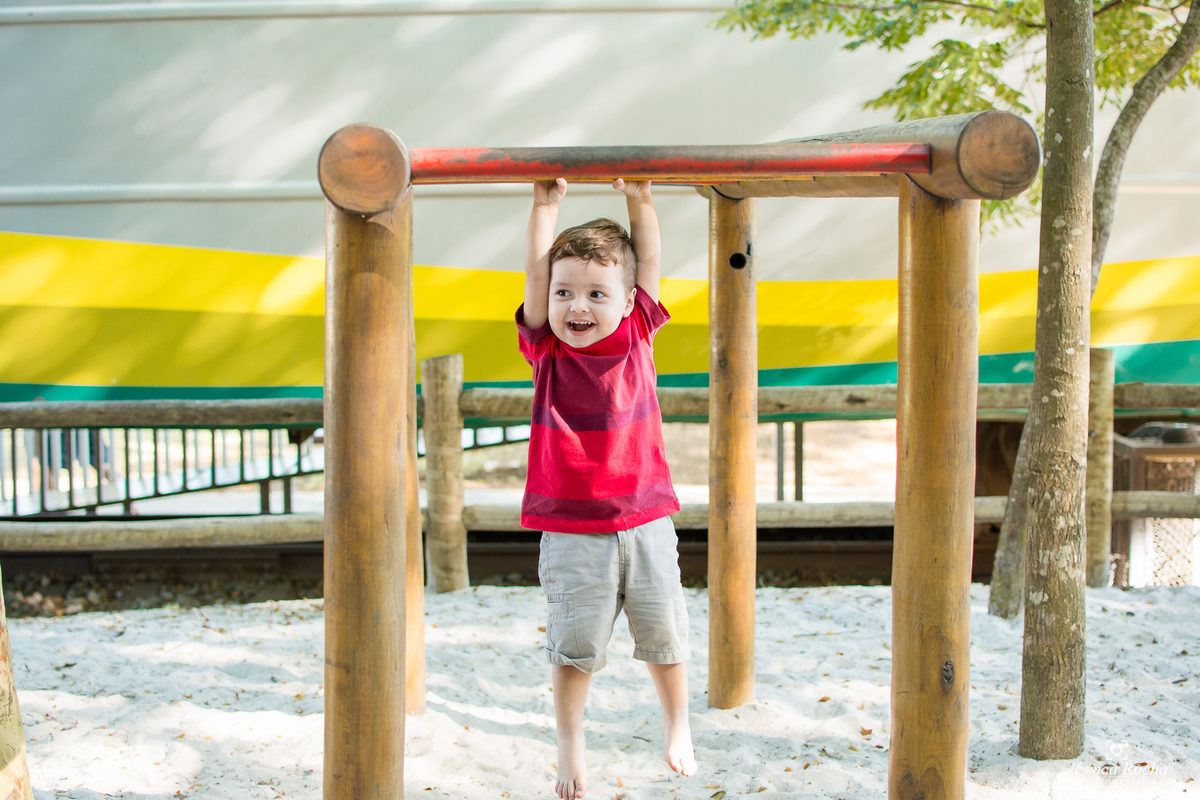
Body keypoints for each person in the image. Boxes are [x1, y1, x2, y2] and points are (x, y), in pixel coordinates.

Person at [516, 177, 696, 799]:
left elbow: (650, 257)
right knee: (574, 646)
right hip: (570, 528)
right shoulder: (546, 349)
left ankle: (678, 725)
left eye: (596, 292)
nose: (577, 306)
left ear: (627, 300)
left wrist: (639, 198)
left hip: (645, 518)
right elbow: (536, 276)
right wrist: (546, 206)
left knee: (664, 634)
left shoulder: (637, 334)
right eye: (565, 293)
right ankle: (570, 743)